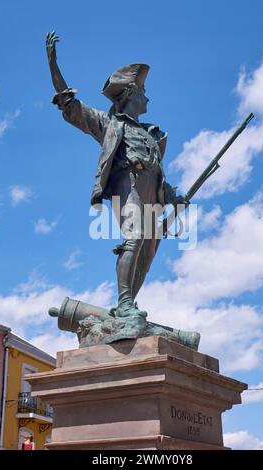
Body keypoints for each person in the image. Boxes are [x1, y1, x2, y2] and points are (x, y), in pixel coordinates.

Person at [46, 32, 185, 319]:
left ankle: (127, 307)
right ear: (132, 94)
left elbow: (156, 171)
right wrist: (53, 63)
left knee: (147, 249)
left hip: (150, 192)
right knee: (133, 237)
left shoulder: (149, 133)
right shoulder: (110, 123)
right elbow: (72, 105)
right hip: (128, 185)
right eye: (144, 91)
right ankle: (123, 303)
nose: (148, 97)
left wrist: (173, 196)